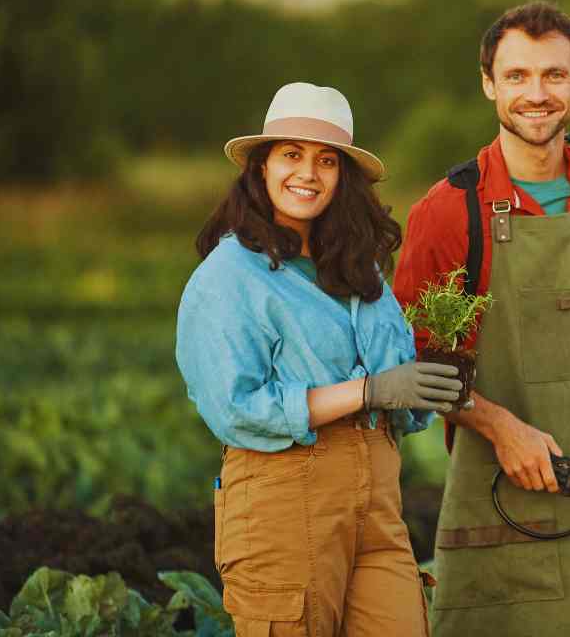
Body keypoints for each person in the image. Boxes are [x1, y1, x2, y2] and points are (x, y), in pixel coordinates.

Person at [393, 1, 570, 635]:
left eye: (552, 75)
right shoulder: (447, 209)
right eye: (517, 76)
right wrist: (499, 425)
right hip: (498, 489)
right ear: (490, 84)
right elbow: (415, 358)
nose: (536, 95)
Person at [176, 82, 462, 637]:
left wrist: (431, 381)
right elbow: (235, 407)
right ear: (261, 167)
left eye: (326, 160)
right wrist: (368, 391)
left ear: (342, 176)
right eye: (291, 154)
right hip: (285, 497)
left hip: (377, 501)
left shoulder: (359, 271)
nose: (308, 173)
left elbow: (401, 390)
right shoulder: (229, 277)